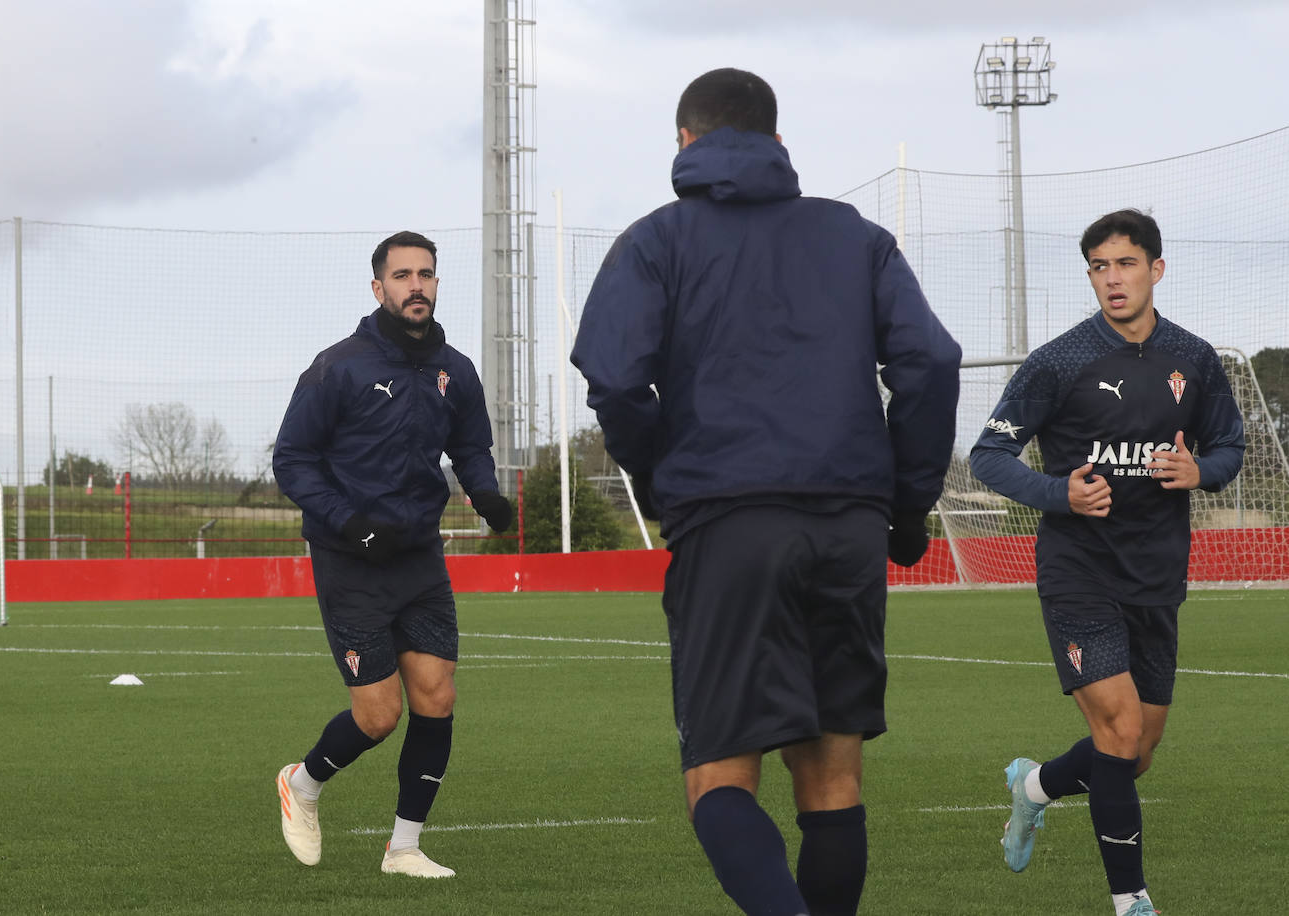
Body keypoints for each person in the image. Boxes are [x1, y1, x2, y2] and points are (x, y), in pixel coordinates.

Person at [570, 68, 961, 916]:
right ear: (780, 144)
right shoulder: (853, 236)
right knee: (831, 777)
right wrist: (905, 502)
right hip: (849, 522)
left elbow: (613, 377)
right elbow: (931, 363)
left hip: (730, 522)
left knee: (719, 775)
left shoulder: (657, 240)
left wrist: (660, 476)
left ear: (683, 143)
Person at [970, 209, 1245, 916]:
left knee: (1135, 752)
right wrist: (1054, 493)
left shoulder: (1195, 357)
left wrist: (1200, 472)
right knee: (1119, 733)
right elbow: (989, 454)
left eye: (1125, 264)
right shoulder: (1059, 361)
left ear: (1156, 268)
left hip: (1156, 576)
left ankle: (1033, 788)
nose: (1112, 279)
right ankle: (1132, 902)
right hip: (1079, 573)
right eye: (1099, 266)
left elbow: (1229, 448)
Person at [271, 230, 514, 878]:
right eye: (403, 275)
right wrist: (349, 523)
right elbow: (292, 460)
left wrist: (487, 495)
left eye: (426, 274)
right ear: (378, 288)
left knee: (436, 696)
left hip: (418, 559)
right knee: (378, 715)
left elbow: (469, 445)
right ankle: (302, 783)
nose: (417, 286)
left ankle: (403, 848)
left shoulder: (455, 370)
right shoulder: (338, 367)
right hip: (350, 562)